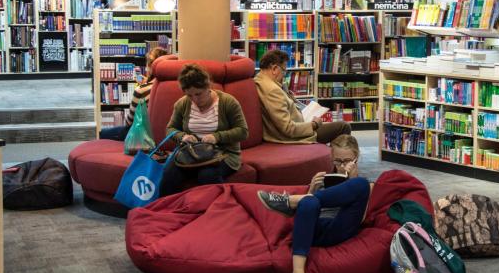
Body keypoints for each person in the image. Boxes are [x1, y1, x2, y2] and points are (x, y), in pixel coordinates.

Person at [256, 134, 372, 273]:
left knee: (361, 184)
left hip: (341, 226)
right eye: (337, 161)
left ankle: (290, 201)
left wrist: (352, 179)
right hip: (315, 230)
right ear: (331, 158)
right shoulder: (325, 179)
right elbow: (303, 216)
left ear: (356, 158)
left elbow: (361, 218)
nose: (342, 166)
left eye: (347, 161)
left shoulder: (364, 184)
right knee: (310, 201)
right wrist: (311, 190)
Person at [159, 64, 249, 196]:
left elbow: (243, 131)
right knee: (168, 175)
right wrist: (183, 136)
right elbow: (170, 129)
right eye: (190, 95)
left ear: (208, 87)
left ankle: (215, 212)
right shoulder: (182, 104)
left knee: (207, 175)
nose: (195, 100)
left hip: (222, 153)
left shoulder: (228, 102)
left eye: (198, 94)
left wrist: (216, 137)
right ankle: (166, 212)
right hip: (189, 153)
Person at [254, 50, 350, 144]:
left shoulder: (260, 80)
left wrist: (288, 96)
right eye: (284, 71)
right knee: (344, 126)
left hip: (299, 126)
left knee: (331, 126)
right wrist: (314, 124)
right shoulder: (273, 90)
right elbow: (288, 129)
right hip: (295, 136)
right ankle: (340, 158)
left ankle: (333, 156)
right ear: (274, 69)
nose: (284, 76)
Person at [99, 47, 169, 141]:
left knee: (102, 133)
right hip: (166, 134)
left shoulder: (142, 90)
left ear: (150, 67)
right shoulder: (175, 86)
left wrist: (144, 86)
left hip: (143, 135)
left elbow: (129, 122)